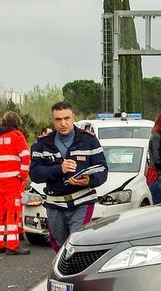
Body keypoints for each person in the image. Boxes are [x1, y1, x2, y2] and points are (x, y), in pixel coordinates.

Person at [30, 101, 108, 251]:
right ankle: (63, 273)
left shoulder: (89, 140)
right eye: (58, 120)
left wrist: (89, 180)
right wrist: (59, 169)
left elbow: (103, 170)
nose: (63, 123)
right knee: (60, 247)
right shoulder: (42, 144)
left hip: (82, 202)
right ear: (53, 120)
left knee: (77, 242)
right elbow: (35, 174)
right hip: (55, 203)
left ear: (73, 117)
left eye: (67, 118)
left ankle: (79, 274)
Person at [0, 112, 31, 255]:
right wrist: (22, 175)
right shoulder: (17, 135)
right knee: (13, 212)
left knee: (0, 211)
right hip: (13, 181)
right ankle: (13, 245)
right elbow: (25, 157)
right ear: (16, 122)